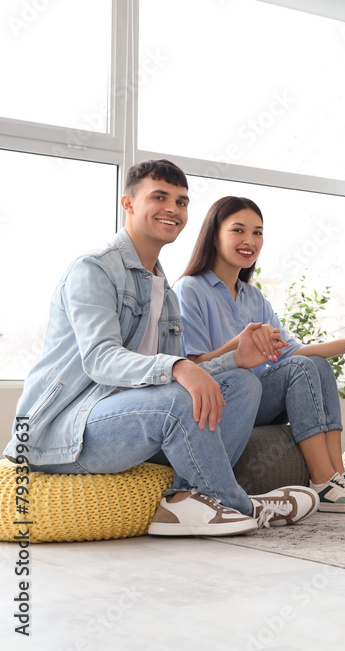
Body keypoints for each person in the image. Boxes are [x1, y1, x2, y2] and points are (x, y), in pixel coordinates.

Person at [4, 160, 318, 536]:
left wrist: (235, 359)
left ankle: (185, 500)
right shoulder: (93, 270)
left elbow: (187, 373)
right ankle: (240, 503)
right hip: (65, 431)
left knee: (243, 383)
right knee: (175, 399)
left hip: (133, 422)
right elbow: (100, 359)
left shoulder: (164, 292)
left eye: (182, 202)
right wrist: (178, 368)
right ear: (129, 204)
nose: (173, 209)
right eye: (159, 197)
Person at [175, 196, 345, 514]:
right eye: (238, 230)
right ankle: (321, 481)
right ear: (214, 234)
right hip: (224, 399)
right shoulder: (190, 289)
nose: (250, 241)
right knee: (299, 369)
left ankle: (338, 477)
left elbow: (295, 351)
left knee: (314, 364)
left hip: (260, 397)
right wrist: (239, 344)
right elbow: (190, 367)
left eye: (258, 232)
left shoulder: (254, 297)